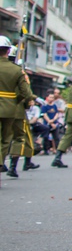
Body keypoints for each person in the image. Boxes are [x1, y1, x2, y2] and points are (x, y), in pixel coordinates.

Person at [0, 37, 35, 177]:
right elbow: (26, 93)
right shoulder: (16, 70)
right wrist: (15, 100)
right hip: (10, 108)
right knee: (5, 139)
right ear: (8, 51)